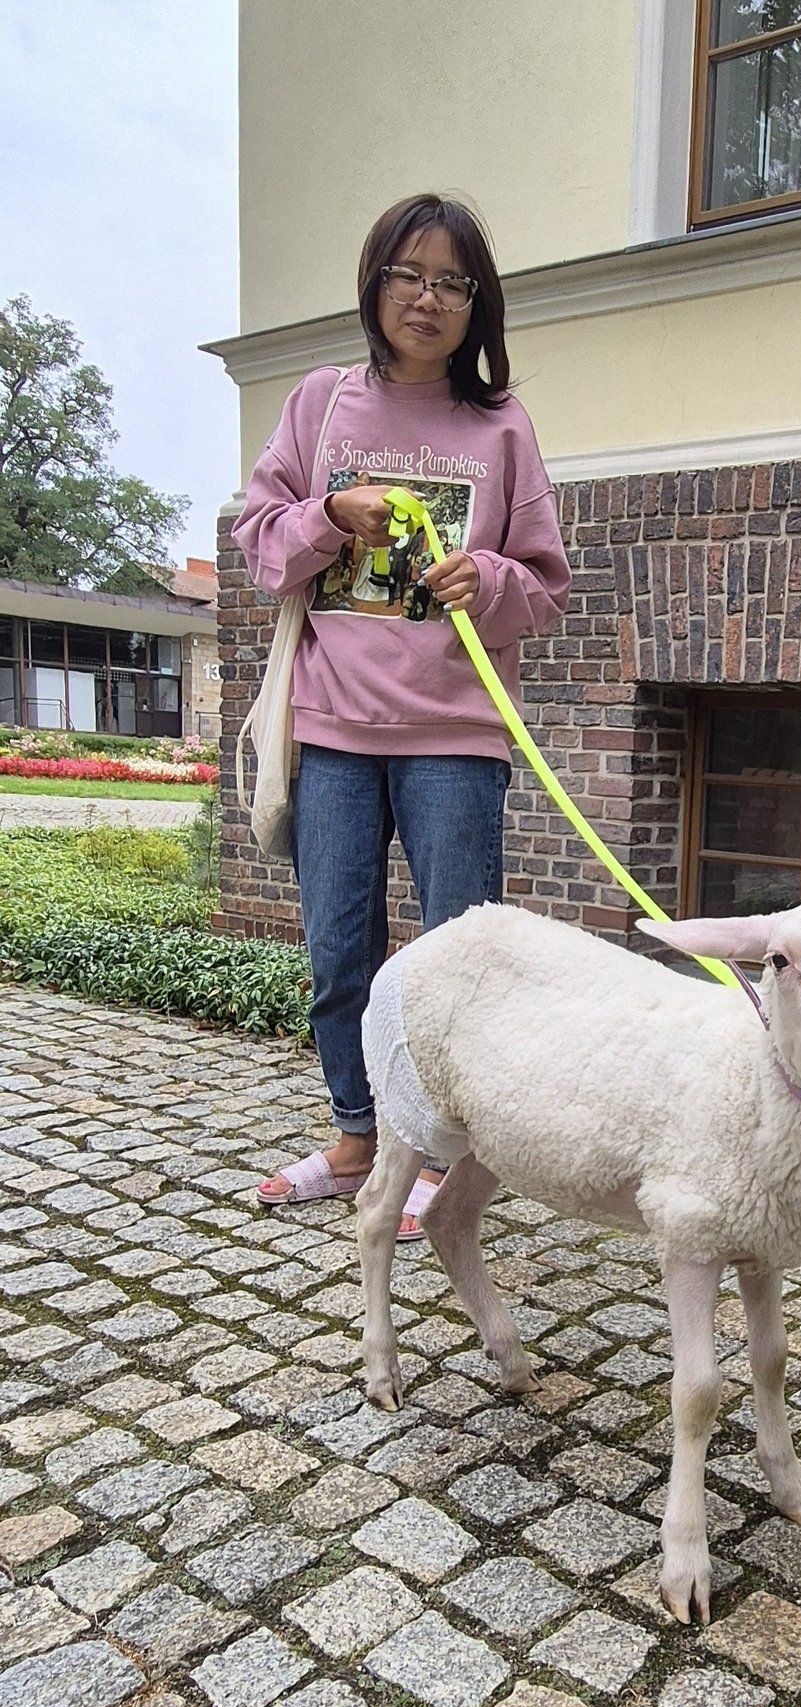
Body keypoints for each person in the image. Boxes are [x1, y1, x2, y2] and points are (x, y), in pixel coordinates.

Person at [234, 192, 569, 1238]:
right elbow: (258, 544)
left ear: (478, 305)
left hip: (455, 740)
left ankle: (445, 1157)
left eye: (453, 282)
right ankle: (355, 1136)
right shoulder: (322, 404)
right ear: (375, 283)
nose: (428, 299)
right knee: (340, 950)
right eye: (409, 276)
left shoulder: (500, 426)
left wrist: (488, 579)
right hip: (331, 730)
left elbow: (544, 587)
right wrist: (330, 514)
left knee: (458, 966)